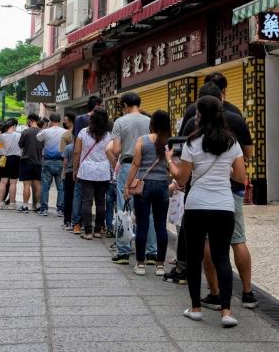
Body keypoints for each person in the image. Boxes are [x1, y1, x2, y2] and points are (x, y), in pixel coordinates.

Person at [172, 81, 257, 311]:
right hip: (227, 200)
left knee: (201, 249)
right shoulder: (233, 135)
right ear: (222, 98)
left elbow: (182, 178)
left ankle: (207, 299)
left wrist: (170, 163)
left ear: (199, 112)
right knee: (233, 245)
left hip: (197, 202)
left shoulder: (191, 136)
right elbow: (242, 175)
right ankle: (241, 299)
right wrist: (227, 167)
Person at [124, 110, 172, 276]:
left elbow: (135, 165)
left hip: (143, 186)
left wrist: (127, 186)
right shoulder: (169, 143)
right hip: (162, 186)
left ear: (152, 124)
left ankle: (140, 264)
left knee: (142, 224)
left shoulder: (143, 140)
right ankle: (160, 266)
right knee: (160, 226)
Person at [110, 92, 154, 264]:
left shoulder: (120, 122)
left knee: (124, 208)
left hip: (128, 166)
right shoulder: (150, 121)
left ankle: (123, 252)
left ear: (125, 105)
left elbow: (115, 150)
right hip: (147, 168)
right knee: (148, 210)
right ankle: (151, 253)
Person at [73, 108, 114, 240]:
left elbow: (76, 152)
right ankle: (98, 230)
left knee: (87, 201)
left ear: (92, 119)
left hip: (86, 171)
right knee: (101, 202)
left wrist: (75, 169)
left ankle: (88, 232)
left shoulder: (83, 132)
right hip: (103, 171)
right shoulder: (109, 135)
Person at [70, 97, 101, 234]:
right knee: (100, 200)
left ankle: (77, 224)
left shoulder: (80, 122)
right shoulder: (105, 128)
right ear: (96, 106)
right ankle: (100, 228)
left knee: (80, 196)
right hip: (102, 168)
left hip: (84, 163)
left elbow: (76, 147)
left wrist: (74, 168)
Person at [37, 113, 66, 216]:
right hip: (61, 162)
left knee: (45, 186)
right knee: (61, 187)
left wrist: (44, 127)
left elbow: (38, 138)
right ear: (60, 120)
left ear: (50, 121)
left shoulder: (45, 131)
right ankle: (60, 210)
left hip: (48, 161)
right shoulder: (65, 132)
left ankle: (44, 209)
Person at [0, 119, 23, 210]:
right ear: (14, 126)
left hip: (5, 158)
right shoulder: (19, 135)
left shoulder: (2, 136)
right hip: (15, 159)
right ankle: (12, 203)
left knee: (3, 182)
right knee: (13, 182)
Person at [18, 114, 43, 212]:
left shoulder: (26, 132)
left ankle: (25, 206)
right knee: (37, 184)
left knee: (27, 185)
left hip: (26, 161)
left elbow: (20, 145)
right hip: (38, 161)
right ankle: (38, 205)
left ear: (30, 120)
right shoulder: (42, 132)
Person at [60, 112, 77, 229]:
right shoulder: (88, 133)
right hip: (82, 172)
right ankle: (77, 221)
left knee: (68, 196)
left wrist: (65, 171)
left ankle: (67, 220)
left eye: (66, 120)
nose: (64, 122)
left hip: (69, 171)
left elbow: (63, 156)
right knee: (79, 197)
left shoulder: (66, 135)